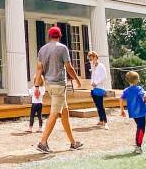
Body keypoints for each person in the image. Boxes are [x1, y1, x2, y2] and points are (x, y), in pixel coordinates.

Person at [35, 26, 83, 154]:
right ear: (59, 35)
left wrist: (36, 86)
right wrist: (77, 80)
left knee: (65, 113)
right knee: (54, 114)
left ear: (49, 36)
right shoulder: (62, 48)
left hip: (49, 85)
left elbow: (39, 69)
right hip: (59, 86)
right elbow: (69, 67)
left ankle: (73, 143)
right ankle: (43, 142)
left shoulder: (42, 49)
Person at [120, 71, 146, 154]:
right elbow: (143, 95)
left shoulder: (126, 90)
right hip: (141, 112)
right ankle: (138, 146)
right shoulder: (139, 88)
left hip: (133, 113)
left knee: (139, 127)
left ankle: (137, 144)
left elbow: (121, 99)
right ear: (136, 80)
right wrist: (145, 98)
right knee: (141, 129)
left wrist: (122, 110)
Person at [88, 51, 108, 129]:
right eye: (89, 59)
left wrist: (96, 82)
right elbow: (93, 77)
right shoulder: (93, 66)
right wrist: (92, 83)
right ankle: (101, 120)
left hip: (99, 88)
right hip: (93, 89)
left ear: (95, 57)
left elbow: (104, 76)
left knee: (101, 106)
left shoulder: (101, 66)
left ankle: (105, 122)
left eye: (91, 58)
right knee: (97, 106)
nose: (90, 60)